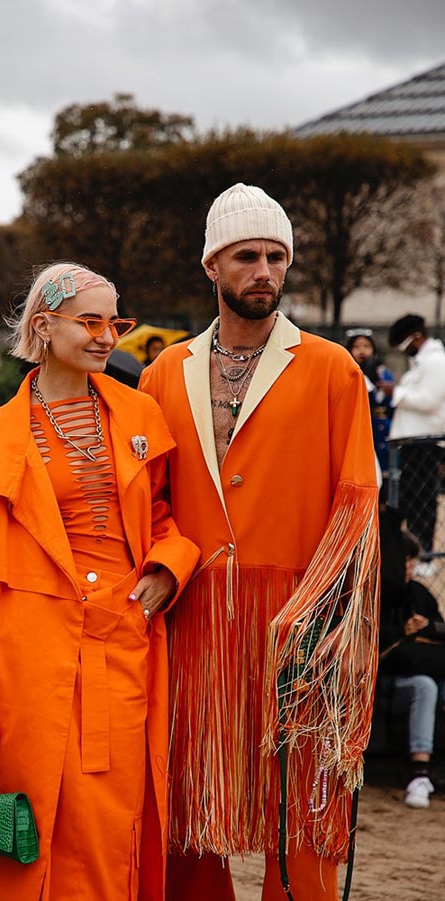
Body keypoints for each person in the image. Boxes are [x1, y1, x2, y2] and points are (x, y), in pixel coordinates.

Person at [0, 262, 199, 901]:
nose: (108, 336)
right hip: (24, 659)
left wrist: (168, 565)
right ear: (44, 327)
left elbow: (164, 517)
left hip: (123, 645)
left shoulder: (139, 413)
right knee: (24, 834)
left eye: (116, 322)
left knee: (110, 822)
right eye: (92, 321)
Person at [140, 184, 380, 901]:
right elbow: (147, 497)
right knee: (187, 809)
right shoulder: (163, 371)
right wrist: (162, 567)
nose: (265, 271)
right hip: (194, 619)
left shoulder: (334, 367)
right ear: (211, 265)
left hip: (302, 625)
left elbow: (359, 500)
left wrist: (318, 614)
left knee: (302, 815)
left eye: (277, 257)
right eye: (247, 256)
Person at [379, 530, 445, 809]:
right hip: (391, 682)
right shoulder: (377, 592)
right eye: (403, 561)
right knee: (425, 686)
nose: (408, 567)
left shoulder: (419, 592)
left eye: (411, 561)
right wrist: (401, 631)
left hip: (427, 668)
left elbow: (441, 628)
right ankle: (420, 774)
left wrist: (427, 628)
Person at [388, 314, 445, 576]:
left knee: (423, 501)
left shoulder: (435, 361)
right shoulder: (422, 362)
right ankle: (415, 554)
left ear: (417, 338)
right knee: (412, 500)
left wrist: (395, 393)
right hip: (412, 442)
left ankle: (425, 559)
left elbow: (429, 400)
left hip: (425, 442)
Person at [345, 328, 394, 476]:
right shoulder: (348, 372)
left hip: (381, 426)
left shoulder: (382, 373)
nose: (362, 351)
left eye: (366, 346)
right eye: (357, 347)